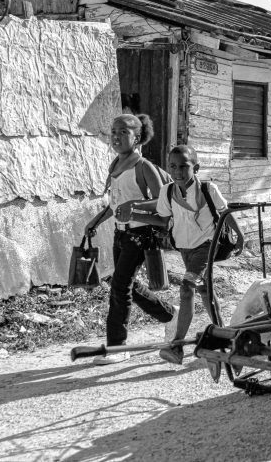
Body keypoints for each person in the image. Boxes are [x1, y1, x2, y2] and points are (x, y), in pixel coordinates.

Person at [120, 145, 245, 364]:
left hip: (207, 245)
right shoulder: (168, 192)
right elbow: (163, 220)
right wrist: (134, 214)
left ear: (195, 167)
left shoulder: (208, 189)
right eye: (173, 166)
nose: (178, 171)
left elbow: (225, 213)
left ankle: (176, 346)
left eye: (184, 166)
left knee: (187, 289)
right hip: (185, 249)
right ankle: (225, 334)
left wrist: (240, 234)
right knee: (205, 290)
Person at [84, 114, 177, 365]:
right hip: (121, 233)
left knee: (119, 287)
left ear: (137, 138)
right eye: (113, 131)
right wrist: (95, 222)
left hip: (141, 235)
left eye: (123, 132)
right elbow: (115, 204)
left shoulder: (142, 166)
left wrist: (134, 204)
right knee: (127, 285)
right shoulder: (115, 165)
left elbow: (164, 202)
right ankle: (171, 316)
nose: (116, 136)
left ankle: (117, 347)